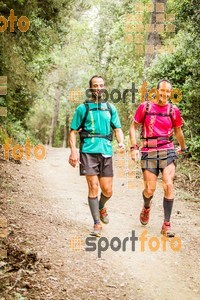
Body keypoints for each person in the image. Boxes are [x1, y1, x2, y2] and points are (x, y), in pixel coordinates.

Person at [129, 79, 187, 237]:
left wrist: (182, 147)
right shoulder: (145, 107)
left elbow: (178, 131)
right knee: (149, 189)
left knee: (168, 184)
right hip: (149, 150)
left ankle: (166, 224)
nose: (165, 94)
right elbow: (133, 127)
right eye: (162, 91)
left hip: (167, 149)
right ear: (157, 90)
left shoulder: (173, 110)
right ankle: (147, 206)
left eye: (168, 92)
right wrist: (134, 148)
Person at [69, 75, 125, 236]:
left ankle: (101, 206)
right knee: (93, 187)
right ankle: (96, 223)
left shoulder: (110, 108)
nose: (98, 88)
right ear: (91, 88)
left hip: (106, 151)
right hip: (88, 151)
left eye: (101, 85)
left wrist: (121, 142)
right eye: (95, 85)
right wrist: (73, 151)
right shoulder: (83, 108)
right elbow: (73, 132)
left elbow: (118, 129)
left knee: (108, 191)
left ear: (104, 87)